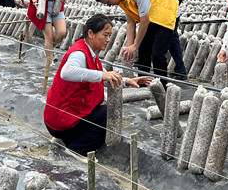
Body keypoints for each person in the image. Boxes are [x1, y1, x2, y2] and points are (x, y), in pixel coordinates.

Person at [44, 14, 152, 155]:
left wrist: (126, 81)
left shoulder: (90, 53)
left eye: (109, 36)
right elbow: (67, 72)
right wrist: (102, 75)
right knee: (108, 113)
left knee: (99, 112)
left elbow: (103, 76)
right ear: (91, 34)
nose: (108, 40)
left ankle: (65, 139)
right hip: (62, 120)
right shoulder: (79, 54)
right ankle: (78, 150)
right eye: (105, 35)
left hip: (60, 118)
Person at [94, 0, 179, 80]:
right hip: (152, 14)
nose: (110, 6)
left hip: (167, 13)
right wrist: (130, 47)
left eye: (108, 3)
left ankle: (162, 87)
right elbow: (130, 23)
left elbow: (145, 21)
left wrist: (135, 45)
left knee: (157, 54)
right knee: (143, 50)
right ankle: (142, 82)